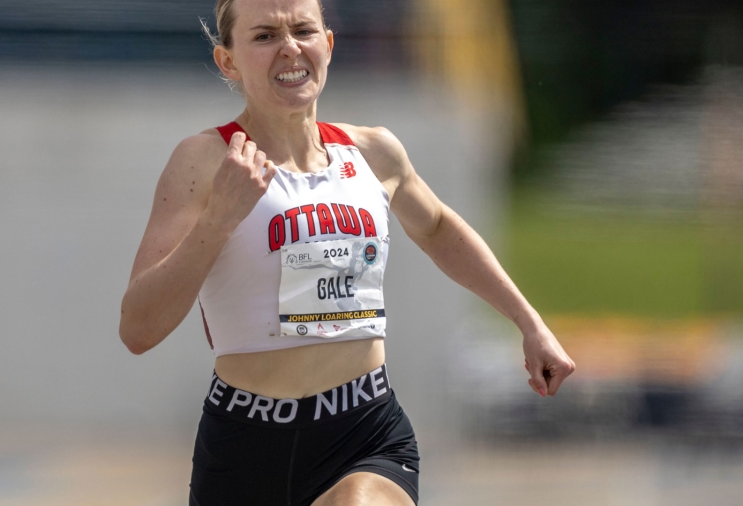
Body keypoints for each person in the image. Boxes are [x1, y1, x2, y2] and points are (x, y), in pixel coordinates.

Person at [118, 0, 576, 504]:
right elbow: (139, 329)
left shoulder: (373, 152)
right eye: (265, 36)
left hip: (363, 433)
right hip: (244, 443)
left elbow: (439, 228)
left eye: (303, 30)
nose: (290, 48)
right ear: (228, 61)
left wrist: (529, 322)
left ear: (328, 45)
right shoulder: (204, 161)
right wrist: (218, 219)